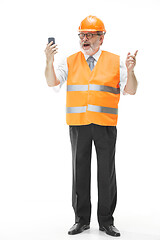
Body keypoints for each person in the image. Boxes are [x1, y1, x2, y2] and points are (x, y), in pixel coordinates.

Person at [44, 15, 138, 237]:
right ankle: (81, 220)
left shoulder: (116, 62)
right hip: (78, 125)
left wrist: (131, 71)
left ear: (101, 38)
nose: (84, 39)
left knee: (106, 173)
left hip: (105, 125)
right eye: (82, 35)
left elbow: (131, 90)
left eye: (89, 35)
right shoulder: (69, 60)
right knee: (80, 171)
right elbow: (52, 82)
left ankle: (106, 221)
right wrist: (48, 61)